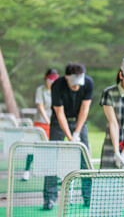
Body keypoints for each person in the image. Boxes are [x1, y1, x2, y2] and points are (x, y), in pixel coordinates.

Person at [43, 63, 93, 210]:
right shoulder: (57, 85)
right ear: (66, 78)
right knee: (52, 157)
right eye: (74, 84)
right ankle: (49, 198)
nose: (77, 87)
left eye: (79, 84)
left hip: (79, 121)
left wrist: (77, 132)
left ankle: (88, 197)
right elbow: (59, 113)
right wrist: (71, 139)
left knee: (85, 159)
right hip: (59, 122)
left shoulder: (88, 83)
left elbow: (85, 109)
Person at [22, 69, 59, 181]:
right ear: (45, 79)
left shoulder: (57, 90)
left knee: (54, 148)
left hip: (54, 123)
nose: (51, 83)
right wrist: (47, 120)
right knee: (34, 147)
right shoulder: (40, 90)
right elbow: (40, 106)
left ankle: (54, 173)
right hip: (41, 123)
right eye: (49, 80)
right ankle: (27, 170)